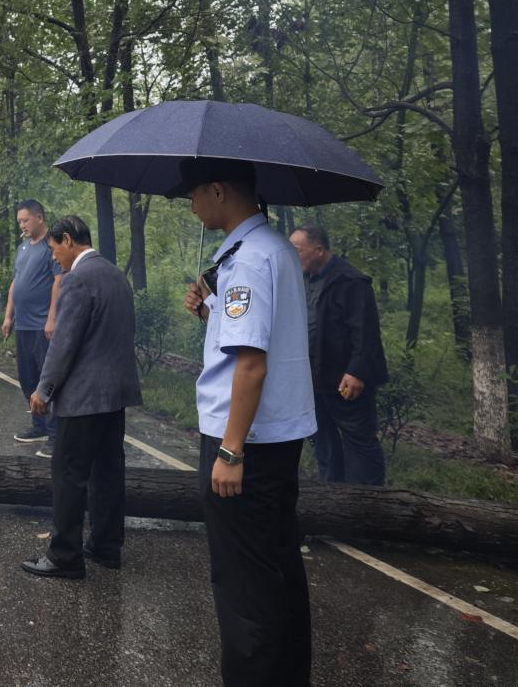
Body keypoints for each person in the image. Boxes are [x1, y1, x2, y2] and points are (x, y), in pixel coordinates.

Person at [178, 159, 316, 686]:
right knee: (277, 571)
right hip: (276, 438)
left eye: (194, 194)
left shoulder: (249, 260)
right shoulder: (274, 249)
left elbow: (252, 363)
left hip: (247, 444)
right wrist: (212, 313)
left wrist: (230, 451)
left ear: (219, 190)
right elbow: (254, 341)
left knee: (244, 588)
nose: (191, 204)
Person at [20, 215, 141, 580]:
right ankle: (106, 547)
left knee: (69, 475)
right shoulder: (116, 275)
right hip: (114, 396)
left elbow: (64, 343)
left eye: (55, 248)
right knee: (108, 472)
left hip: (83, 398)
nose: (54, 256)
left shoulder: (77, 280)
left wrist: (44, 390)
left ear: (68, 240)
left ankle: (64, 556)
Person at [289, 224, 388, 486]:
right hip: (314, 378)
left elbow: (365, 331)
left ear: (319, 250)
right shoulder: (302, 280)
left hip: (345, 381)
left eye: (296, 250)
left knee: (359, 442)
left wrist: (356, 371)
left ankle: (367, 502)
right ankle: (332, 498)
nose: (291, 255)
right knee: (323, 441)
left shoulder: (350, 281)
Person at [2, 199, 63, 456]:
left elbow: (58, 282)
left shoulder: (53, 246)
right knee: (27, 380)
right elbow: (16, 284)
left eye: (25, 220)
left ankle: (55, 435)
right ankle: (38, 426)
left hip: (42, 326)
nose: (22, 225)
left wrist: (52, 318)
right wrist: (8, 317)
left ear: (39, 217)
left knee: (46, 380)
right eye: (19, 222)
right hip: (23, 325)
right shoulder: (23, 248)